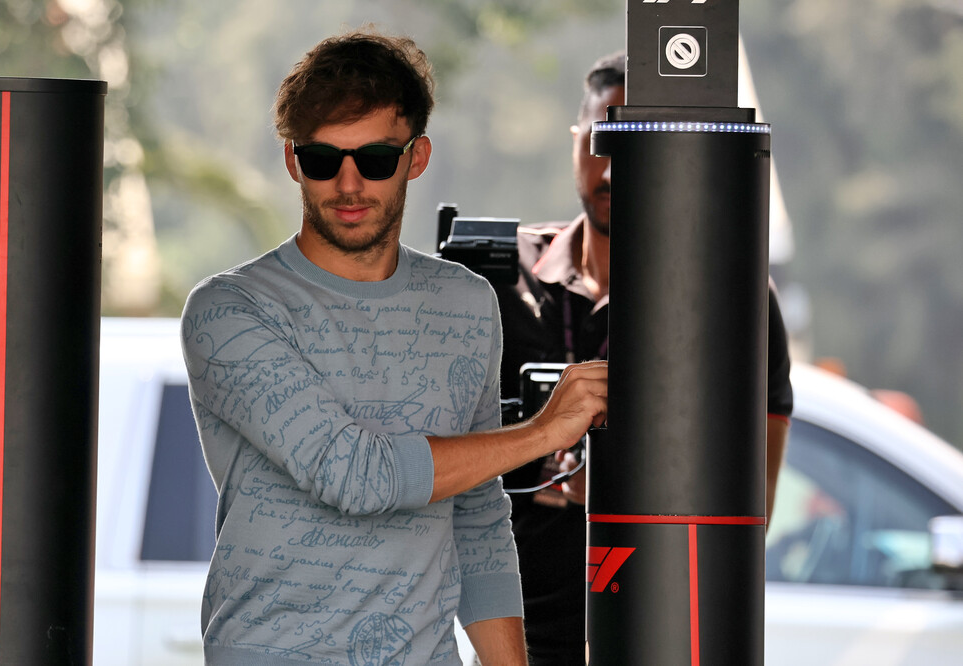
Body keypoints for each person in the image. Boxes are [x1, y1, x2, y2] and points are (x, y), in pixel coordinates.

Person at [180, 29, 608, 665]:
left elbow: (478, 518)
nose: (349, 184)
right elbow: (352, 474)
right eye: (324, 159)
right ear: (294, 161)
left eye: (375, 158)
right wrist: (545, 432)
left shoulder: (465, 303)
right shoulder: (230, 310)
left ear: (417, 156)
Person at [493, 51, 795, 665]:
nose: (612, 170)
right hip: (517, 640)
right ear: (577, 140)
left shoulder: (729, 293)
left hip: (666, 631)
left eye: (638, 148)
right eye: (603, 140)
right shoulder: (504, 278)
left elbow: (752, 493)